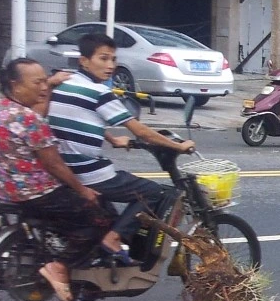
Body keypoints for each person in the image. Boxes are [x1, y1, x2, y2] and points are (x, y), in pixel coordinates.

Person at [47, 32, 194, 256]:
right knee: (155, 192)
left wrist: (112, 138)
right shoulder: (100, 92)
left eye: (113, 59)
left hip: (63, 167)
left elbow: (81, 118)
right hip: (87, 172)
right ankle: (113, 239)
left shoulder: (65, 84)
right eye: (103, 59)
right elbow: (141, 131)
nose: (110, 65)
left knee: (111, 212)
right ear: (84, 61)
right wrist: (179, 146)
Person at [0, 58, 121, 301]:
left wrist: (50, 84)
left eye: (45, 81)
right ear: (15, 85)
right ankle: (61, 265)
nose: (43, 88)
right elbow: (54, 164)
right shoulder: (29, 120)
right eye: (38, 82)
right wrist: (82, 190)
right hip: (35, 192)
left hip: (1, 190)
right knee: (100, 215)